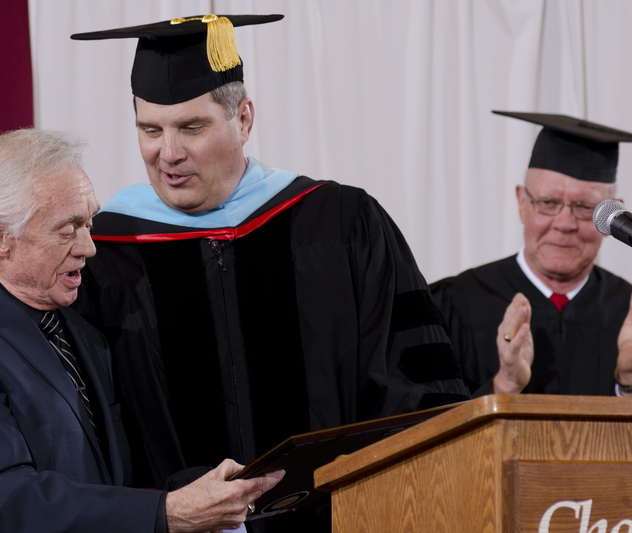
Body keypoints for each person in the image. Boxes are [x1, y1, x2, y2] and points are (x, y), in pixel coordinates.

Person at [71, 14, 470, 531]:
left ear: (243, 119)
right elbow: (94, 425)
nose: (167, 153)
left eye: (192, 127)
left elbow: (411, 388)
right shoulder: (105, 252)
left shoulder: (339, 223)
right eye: (151, 129)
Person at [0, 128, 282, 533]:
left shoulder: (80, 326)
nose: (88, 247)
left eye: (88, 223)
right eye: (67, 229)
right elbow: (2, 499)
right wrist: (167, 513)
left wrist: (200, 494)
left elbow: (103, 478)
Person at [431, 111, 632, 398]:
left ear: (613, 216)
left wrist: (628, 382)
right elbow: (422, 426)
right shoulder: (455, 303)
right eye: (548, 202)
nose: (565, 224)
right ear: (521, 203)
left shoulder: (628, 311)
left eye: (587, 207)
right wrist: (505, 387)